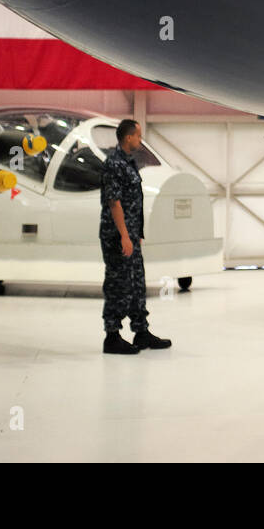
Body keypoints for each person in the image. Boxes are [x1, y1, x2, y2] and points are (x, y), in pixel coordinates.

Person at [100, 118, 171, 354]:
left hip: (130, 235)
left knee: (137, 285)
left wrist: (135, 234)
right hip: (117, 235)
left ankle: (141, 332)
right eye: (138, 136)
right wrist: (123, 236)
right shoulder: (114, 164)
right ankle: (112, 337)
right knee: (118, 285)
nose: (140, 140)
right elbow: (114, 202)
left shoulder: (129, 163)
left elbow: (133, 203)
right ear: (128, 137)